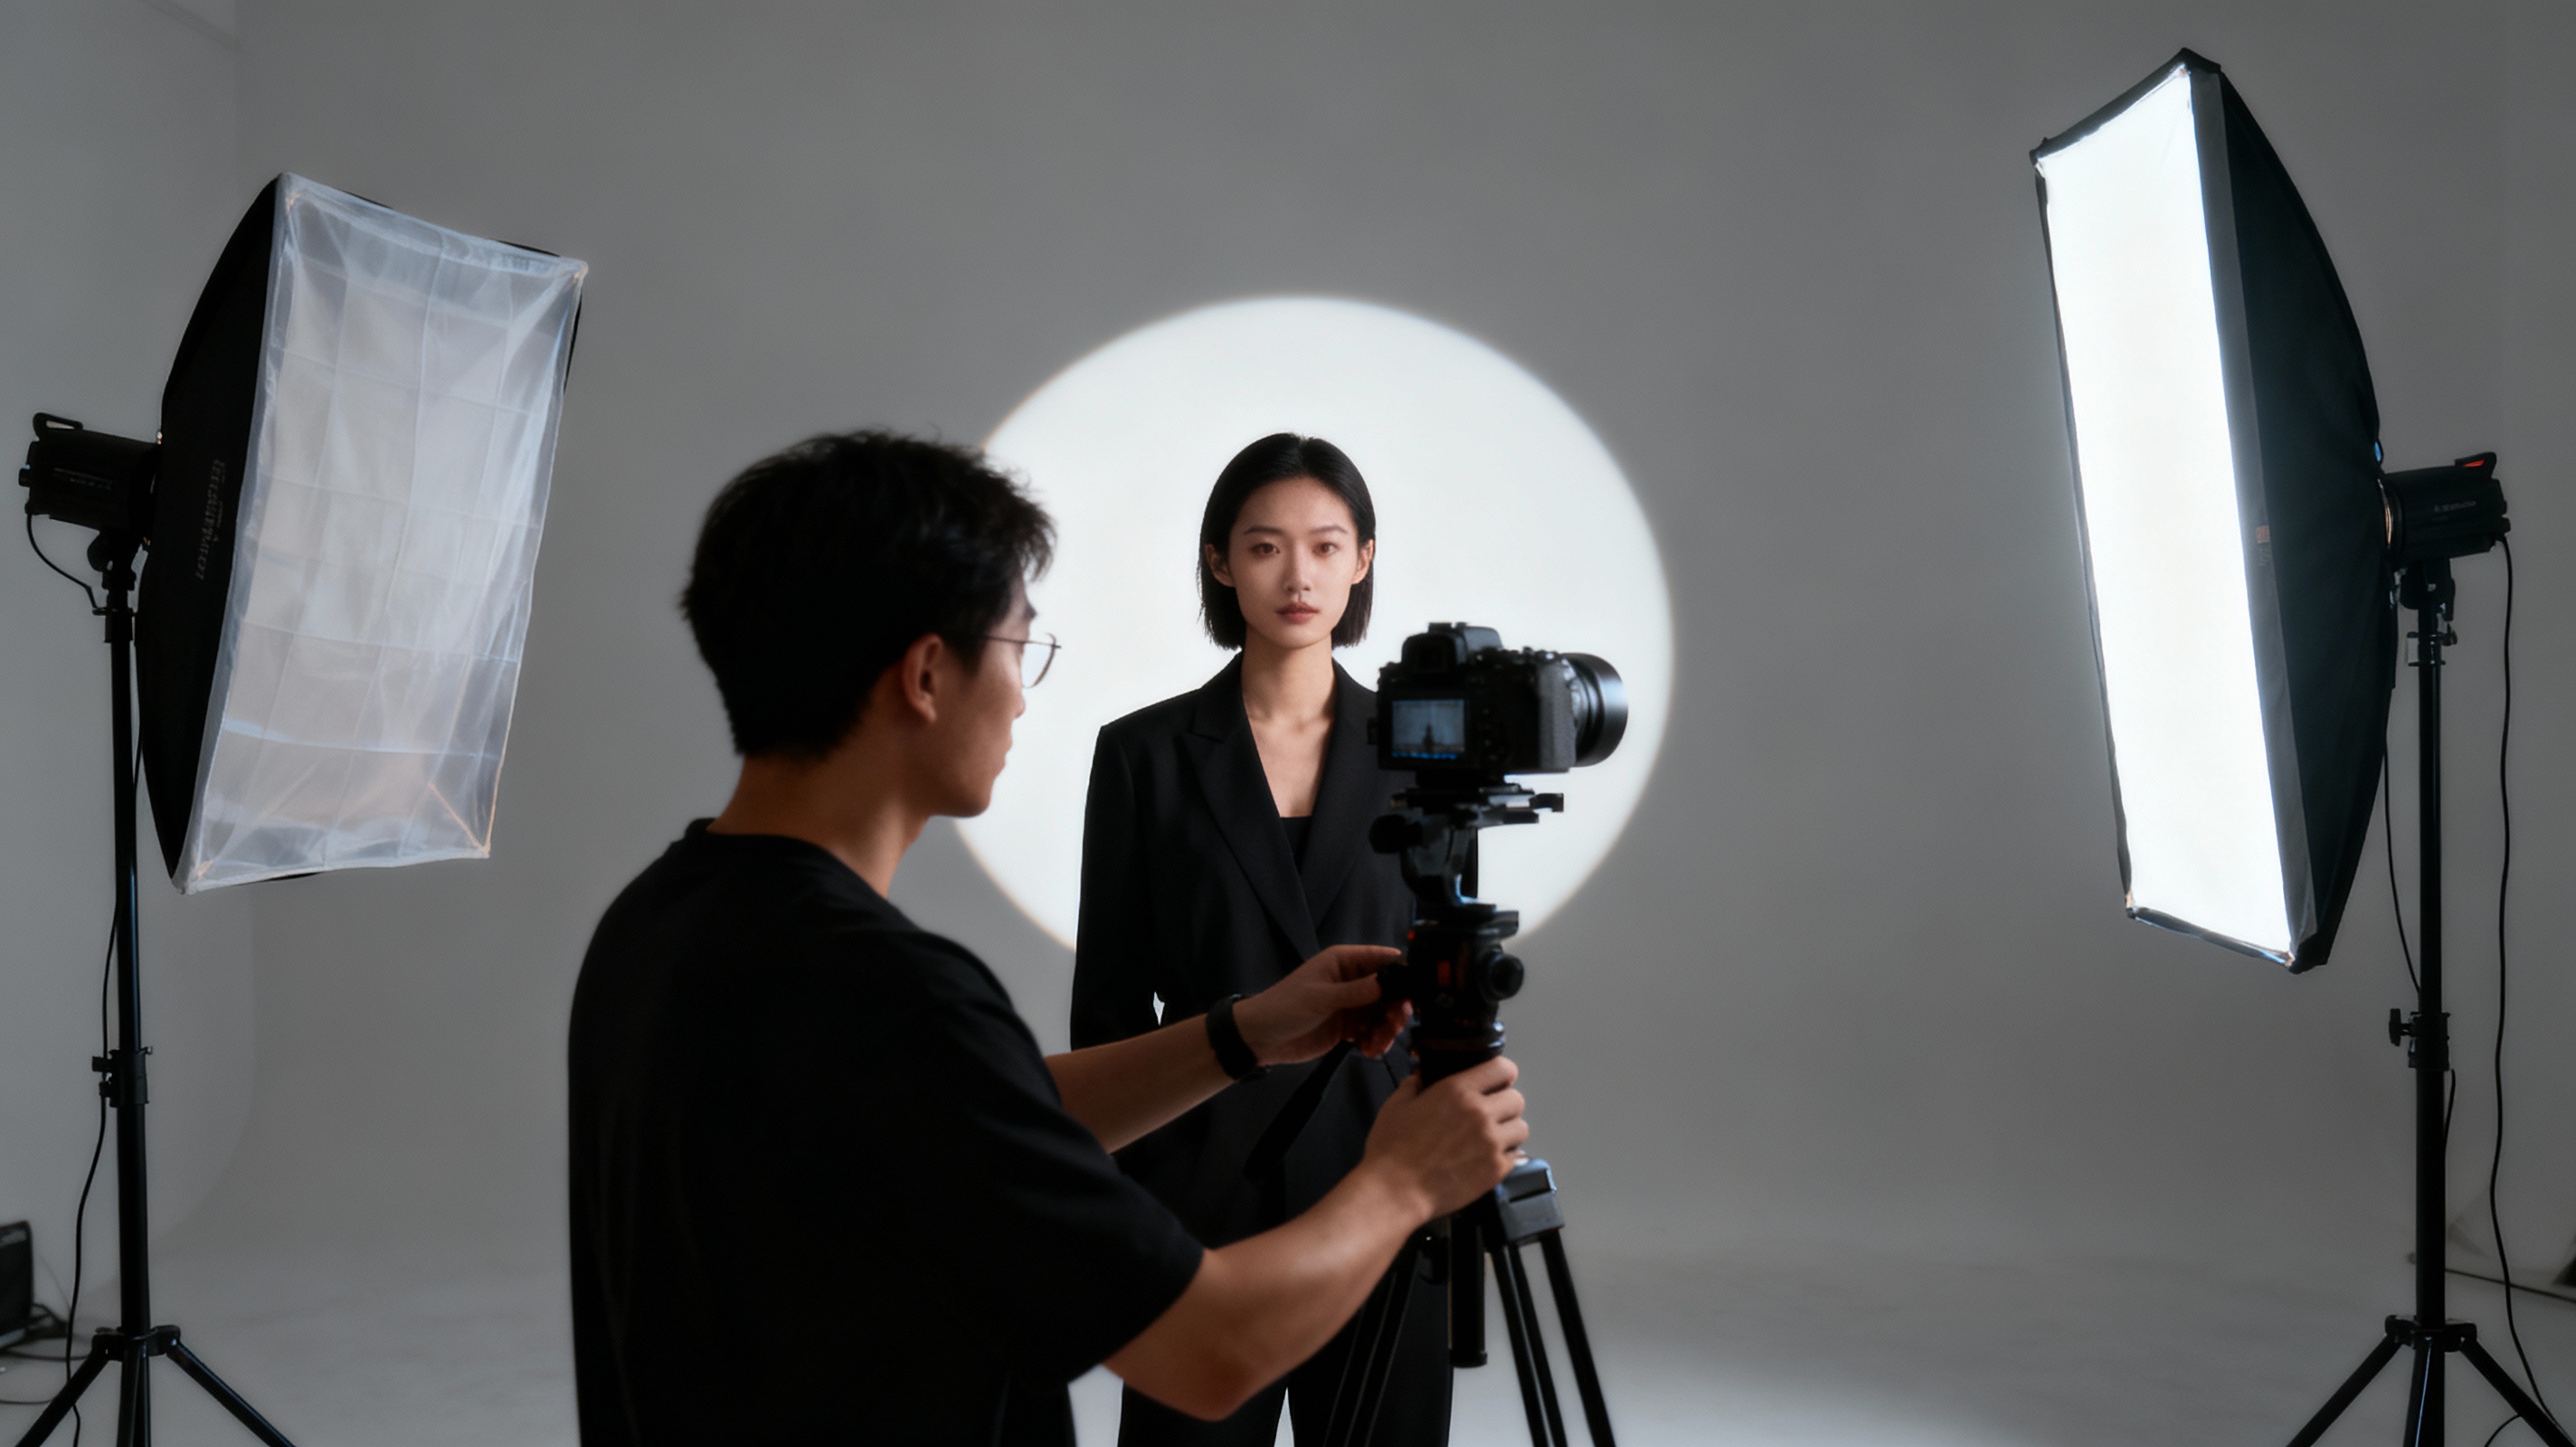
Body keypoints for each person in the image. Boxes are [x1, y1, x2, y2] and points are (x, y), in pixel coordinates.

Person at [566, 430, 1529, 1446]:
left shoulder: (651, 924)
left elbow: (963, 1107)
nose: (1024, 694)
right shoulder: (900, 998)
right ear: (928, 674)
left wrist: (1244, 1032)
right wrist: (1407, 1181)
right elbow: (1210, 1348)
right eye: (1020, 646)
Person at [1073, 434, 1450, 1446]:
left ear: (1363, 559)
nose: (1297, 577)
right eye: (1265, 546)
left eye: (1325, 546)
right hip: (1200, 1186)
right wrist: (1136, 1204)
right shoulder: (1143, 754)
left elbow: (1449, 978)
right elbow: (1108, 1004)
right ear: (1219, 560)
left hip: (1379, 1168)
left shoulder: (1426, 753)